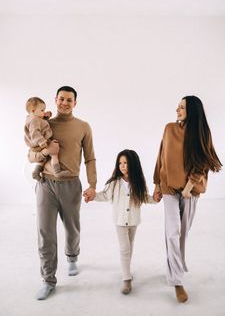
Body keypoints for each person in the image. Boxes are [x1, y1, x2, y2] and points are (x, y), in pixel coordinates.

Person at [153, 95, 222, 303]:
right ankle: (177, 281)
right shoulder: (169, 129)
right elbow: (161, 156)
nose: (177, 109)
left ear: (192, 110)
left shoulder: (201, 133)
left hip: (190, 191)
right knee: (171, 233)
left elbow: (203, 161)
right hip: (168, 189)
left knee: (182, 235)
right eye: (178, 106)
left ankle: (174, 266)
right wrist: (157, 183)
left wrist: (189, 186)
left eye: (182, 107)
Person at [30, 86, 97, 300]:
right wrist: (45, 152)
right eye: (61, 99)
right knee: (45, 233)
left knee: (72, 227)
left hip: (71, 185)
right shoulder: (44, 124)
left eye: (69, 100)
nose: (65, 103)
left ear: (75, 103)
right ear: (55, 100)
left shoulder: (83, 126)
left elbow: (90, 158)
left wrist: (92, 184)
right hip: (45, 184)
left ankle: (72, 257)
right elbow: (31, 156)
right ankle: (48, 280)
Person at [84, 149, 156, 295]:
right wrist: (92, 196)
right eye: (120, 163)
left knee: (130, 247)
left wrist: (155, 198)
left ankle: (126, 270)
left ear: (134, 165)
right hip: (120, 221)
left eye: (126, 163)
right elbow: (104, 195)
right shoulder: (114, 183)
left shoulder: (139, 183)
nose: (122, 166)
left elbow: (145, 198)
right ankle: (126, 279)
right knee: (124, 249)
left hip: (134, 221)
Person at [24, 97, 70, 180]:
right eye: (42, 110)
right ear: (33, 111)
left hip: (37, 143)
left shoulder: (33, 118)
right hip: (40, 142)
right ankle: (57, 172)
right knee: (54, 152)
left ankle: (36, 171)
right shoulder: (34, 120)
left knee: (44, 159)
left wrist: (45, 117)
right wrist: (42, 142)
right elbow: (35, 133)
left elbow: (41, 125)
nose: (44, 112)